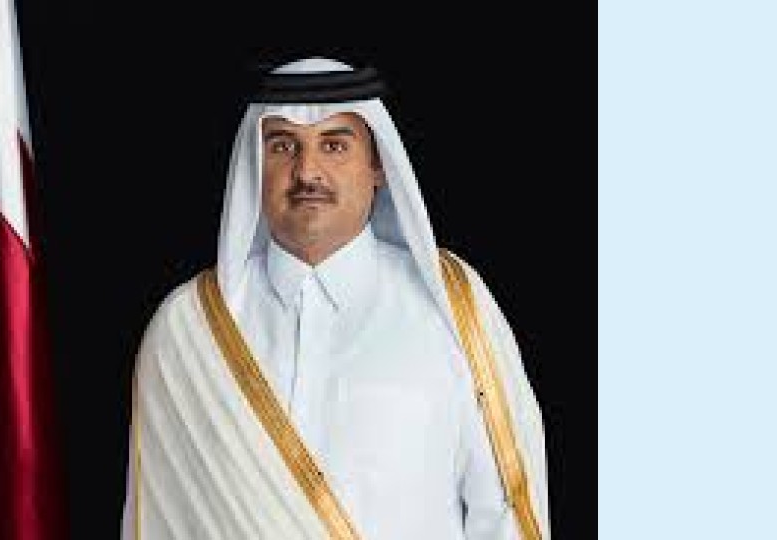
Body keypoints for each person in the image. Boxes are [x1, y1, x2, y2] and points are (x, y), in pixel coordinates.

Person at [120, 57, 550, 540]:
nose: (307, 171)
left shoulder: (450, 306)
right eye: (283, 146)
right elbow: (155, 522)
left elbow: (504, 513)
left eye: (334, 145)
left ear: (378, 166)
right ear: (254, 167)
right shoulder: (188, 328)